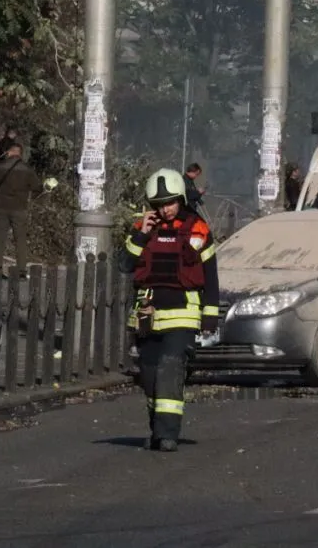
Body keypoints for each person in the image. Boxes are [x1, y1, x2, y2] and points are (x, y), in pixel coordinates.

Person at [122, 169, 220, 452]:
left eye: (170, 203)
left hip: (183, 313)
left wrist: (209, 317)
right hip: (147, 315)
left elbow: (210, 276)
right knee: (150, 374)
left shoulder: (197, 229)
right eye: (159, 204)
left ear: (180, 199)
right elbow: (125, 265)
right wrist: (141, 235)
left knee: (170, 367)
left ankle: (168, 435)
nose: (164, 210)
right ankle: (158, 427)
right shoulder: (143, 228)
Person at [0, 142, 42, 273]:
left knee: (0, 238)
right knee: (21, 240)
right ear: (20, 153)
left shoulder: (0, 167)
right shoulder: (27, 169)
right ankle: (22, 269)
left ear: (9, 152)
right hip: (19, 208)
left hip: (1, 207)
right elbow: (37, 187)